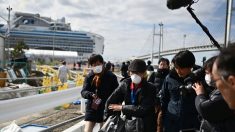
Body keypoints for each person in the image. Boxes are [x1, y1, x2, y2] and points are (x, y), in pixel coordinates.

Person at [106, 59, 157, 132]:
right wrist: (110, 117)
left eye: (139, 73)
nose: (135, 75)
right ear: (129, 73)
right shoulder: (125, 84)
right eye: (133, 72)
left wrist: (122, 108)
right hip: (128, 123)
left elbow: (143, 109)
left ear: (144, 74)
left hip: (145, 124)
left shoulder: (150, 88)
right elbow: (111, 101)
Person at [161, 50, 200, 132]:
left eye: (181, 68)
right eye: (176, 67)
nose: (178, 71)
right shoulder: (169, 78)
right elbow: (164, 99)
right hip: (172, 123)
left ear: (190, 66)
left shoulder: (199, 79)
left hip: (191, 125)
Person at [193, 56, 235, 131]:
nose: (209, 77)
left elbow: (205, 109)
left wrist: (200, 94)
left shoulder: (227, 95)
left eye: (208, 73)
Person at [81, 54, 119, 132]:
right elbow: (83, 92)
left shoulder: (111, 76)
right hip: (93, 107)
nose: (96, 66)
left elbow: (117, 92)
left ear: (102, 63)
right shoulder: (89, 76)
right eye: (94, 65)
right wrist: (90, 94)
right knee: (87, 130)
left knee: (104, 130)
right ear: (91, 66)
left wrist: (116, 105)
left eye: (98, 64)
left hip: (107, 108)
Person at [154, 58, 170, 132]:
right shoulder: (154, 74)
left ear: (168, 66)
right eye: (161, 64)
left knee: (161, 120)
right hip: (155, 102)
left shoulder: (170, 76)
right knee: (154, 120)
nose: (162, 66)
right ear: (158, 65)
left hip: (166, 102)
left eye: (164, 64)